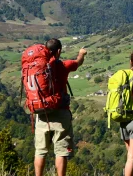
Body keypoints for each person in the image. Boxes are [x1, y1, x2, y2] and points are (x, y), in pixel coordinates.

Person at [34, 38, 86, 176]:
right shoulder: (64, 65)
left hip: (41, 113)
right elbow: (78, 62)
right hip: (61, 113)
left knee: (40, 151)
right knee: (61, 152)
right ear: (59, 51)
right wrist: (82, 53)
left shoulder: (37, 68)